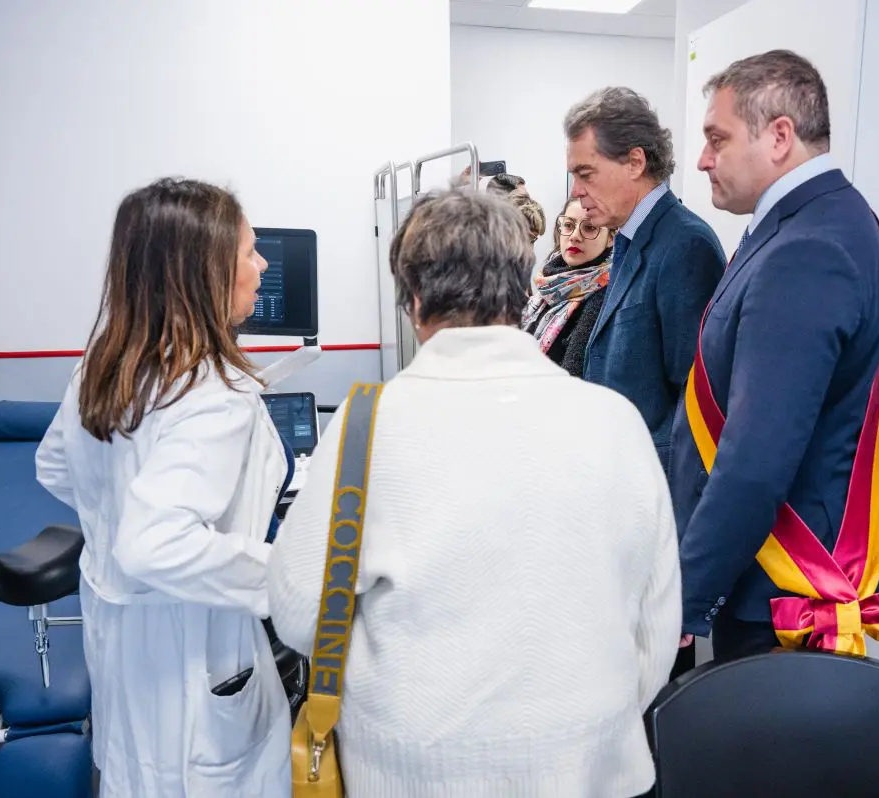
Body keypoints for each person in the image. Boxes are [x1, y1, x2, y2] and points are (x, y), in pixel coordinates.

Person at [268, 189, 681, 798]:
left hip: (413, 773)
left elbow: (300, 612)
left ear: (412, 299)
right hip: (593, 767)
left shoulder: (366, 428)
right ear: (523, 287)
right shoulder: (615, 420)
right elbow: (656, 624)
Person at [35, 178, 291, 797]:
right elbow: (153, 544)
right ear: (204, 274)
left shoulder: (103, 369)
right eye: (249, 252)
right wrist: (288, 577)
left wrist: (113, 520)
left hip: (122, 654)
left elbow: (54, 467)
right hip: (196, 663)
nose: (262, 266)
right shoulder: (212, 394)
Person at [670, 50, 879, 664]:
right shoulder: (821, 219)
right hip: (778, 579)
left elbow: (757, 459)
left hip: (787, 588)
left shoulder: (808, 248)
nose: (703, 159)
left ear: (778, 137)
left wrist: (684, 598)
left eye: (717, 138)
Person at [563, 87, 725, 471]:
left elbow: (695, 402)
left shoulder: (685, 246)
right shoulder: (629, 239)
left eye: (586, 174)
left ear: (635, 162)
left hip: (653, 483)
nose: (576, 191)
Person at [521, 197, 613, 376]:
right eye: (569, 225)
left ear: (611, 237)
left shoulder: (611, 297)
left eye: (589, 228)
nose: (575, 236)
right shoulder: (549, 285)